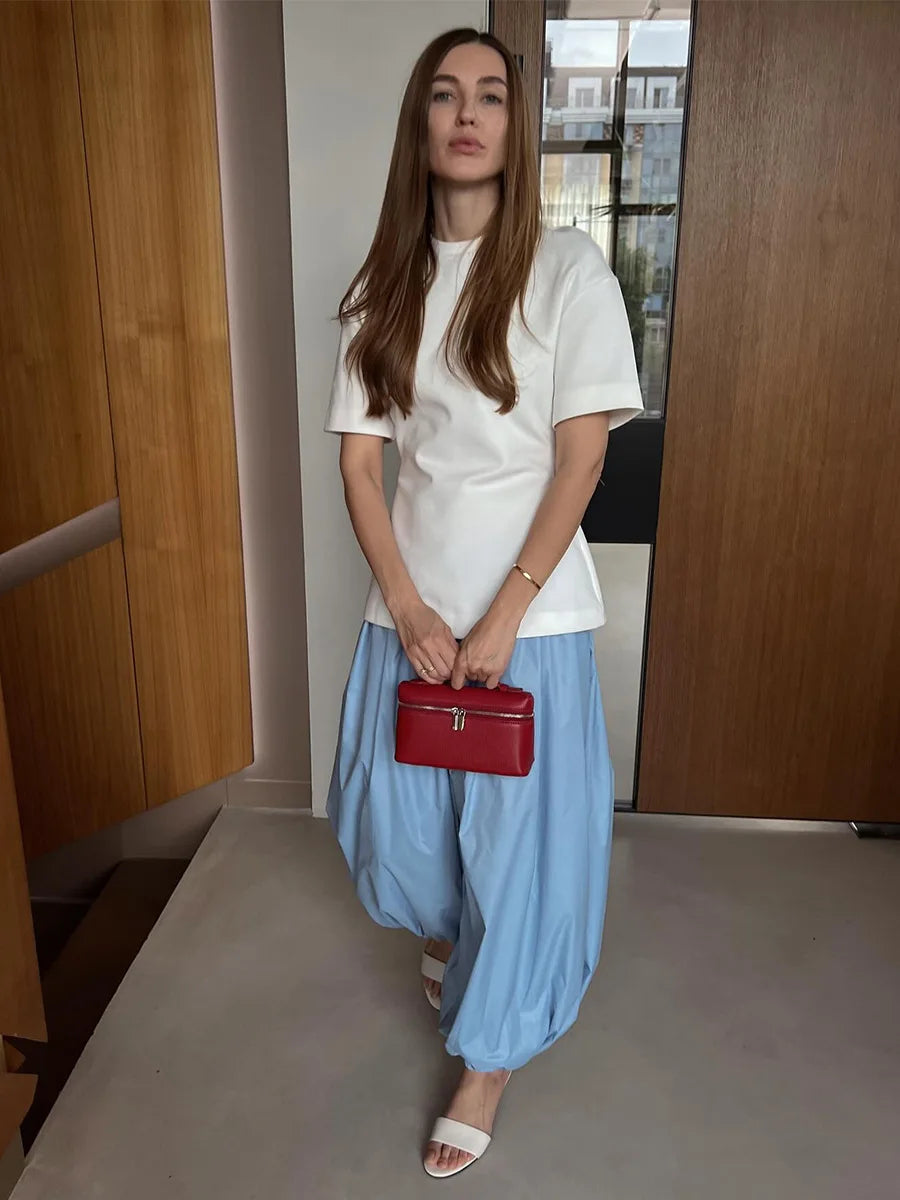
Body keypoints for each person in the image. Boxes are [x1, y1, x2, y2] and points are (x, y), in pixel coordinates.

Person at [324, 27, 643, 1180]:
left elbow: (580, 462)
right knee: (395, 840)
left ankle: (490, 1056)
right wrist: (409, 606)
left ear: (518, 125)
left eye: (494, 95)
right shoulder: (386, 286)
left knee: (523, 855)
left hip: (532, 625)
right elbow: (364, 466)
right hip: (405, 619)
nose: (469, 113)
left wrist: (504, 612)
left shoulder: (569, 269)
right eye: (447, 94)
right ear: (421, 123)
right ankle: (454, 940)